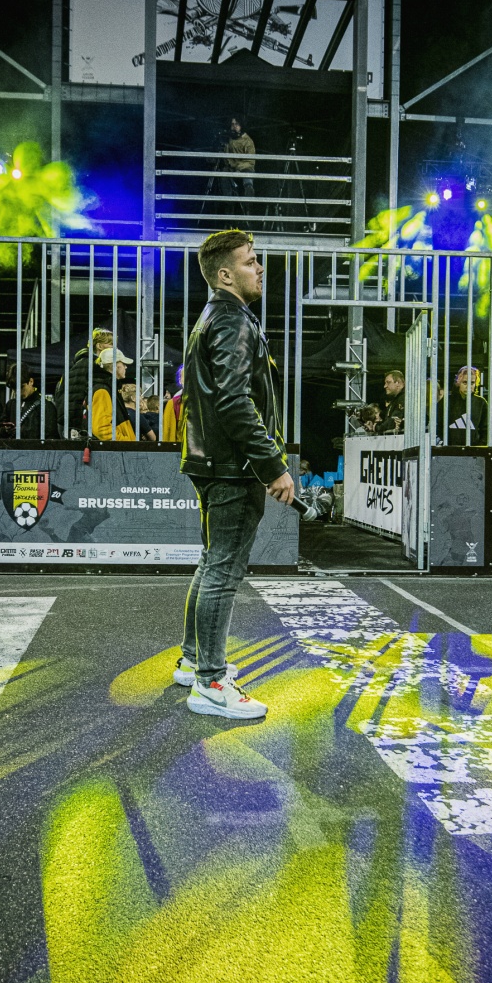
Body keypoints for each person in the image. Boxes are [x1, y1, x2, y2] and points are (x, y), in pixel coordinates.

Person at [178, 228, 292, 719]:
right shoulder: (232, 321)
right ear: (225, 275)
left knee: (212, 562)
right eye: (250, 261)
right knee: (223, 569)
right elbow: (234, 401)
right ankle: (210, 682)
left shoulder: (213, 316)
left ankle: (194, 661)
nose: (259, 268)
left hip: (213, 461)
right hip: (232, 467)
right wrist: (272, 465)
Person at [55, 328, 115, 438]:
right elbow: (79, 397)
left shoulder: (78, 364)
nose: (114, 348)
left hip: (67, 423)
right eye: (111, 344)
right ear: (99, 346)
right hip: (79, 425)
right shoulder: (93, 366)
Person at [90, 347, 137, 441]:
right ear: (116, 366)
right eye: (123, 364)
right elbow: (101, 429)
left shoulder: (107, 388)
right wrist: (126, 442)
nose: (126, 367)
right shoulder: (103, 390)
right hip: (115, 448)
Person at [446, 366, 488, 444]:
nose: (468, 386)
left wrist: (480, 447)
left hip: (474, 449)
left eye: (472, 383)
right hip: (449, 449)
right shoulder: (446, 401)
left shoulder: (481, 403)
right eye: (465, 382)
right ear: (458, 382)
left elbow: (486, 430)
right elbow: (438, 426)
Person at [222, 116, 256, 203]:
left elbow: (251, 161)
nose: (234, 126)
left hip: (245, 167)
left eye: (236, 124)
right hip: (232, 168)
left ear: (241, 125)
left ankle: (249, 193)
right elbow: (227, 157)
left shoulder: (248, 141)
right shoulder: (229, 140)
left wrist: (239, 168)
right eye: (232, 124)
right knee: (224, 172)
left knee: (248, 173)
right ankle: (228, 200)